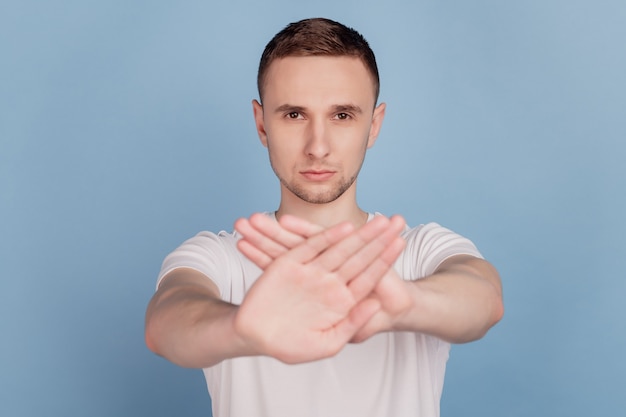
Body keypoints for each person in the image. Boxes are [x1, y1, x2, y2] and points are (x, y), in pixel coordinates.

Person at [145, 17, 503, 417]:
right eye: (294, 114)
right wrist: (238, 329)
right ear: (262, 124)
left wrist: (408, 303)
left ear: (374, 125)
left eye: (343, 115)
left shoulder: (418, 251)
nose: (318, 147)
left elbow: (484, 298)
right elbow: (167, 321)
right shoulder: (218, 259)